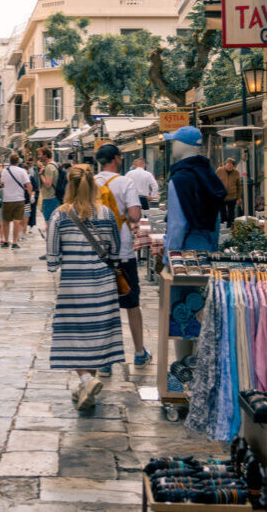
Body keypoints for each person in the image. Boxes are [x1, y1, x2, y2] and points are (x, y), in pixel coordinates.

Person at [46, 164, 126, 410]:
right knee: (95, 336)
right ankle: (87, 385)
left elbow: (52, 258)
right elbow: (115, 249)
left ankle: (85, 380)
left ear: (68, 186)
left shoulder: (59, 215)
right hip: (103, 284)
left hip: (73, 284)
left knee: (75, 336)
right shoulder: (106, 214)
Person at [94, 143, 151, 375]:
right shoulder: (125, 182)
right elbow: (135, 215)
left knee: (104, 306)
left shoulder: (92, 182)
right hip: (123, 250)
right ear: (116, 159)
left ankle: (105, 362)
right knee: (131, 302)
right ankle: (139, 353)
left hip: (98, 251)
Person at [163, 126, 227, 253]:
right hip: (207, 247)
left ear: (183, 145)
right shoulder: (209, 174)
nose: (173, 145)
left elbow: (177, 225)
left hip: (185, 252)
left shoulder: (179, 179)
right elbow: (216, 219)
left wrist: (169, 256)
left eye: (175, 141)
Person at [0, 153, 33, 249]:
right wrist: (30, 196)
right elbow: (29, 185)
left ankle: (6, 241)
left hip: (7, 199)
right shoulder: (22, 171)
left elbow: (2, 184)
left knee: (6, 221)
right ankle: (14, 242)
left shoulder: (4, 171)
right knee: (17, 221)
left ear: (9, 161)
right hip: (19, 199)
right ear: (18, 161)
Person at [215, 158, 242, 228]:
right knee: (222, 213)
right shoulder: (219, 170)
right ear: (225, 165)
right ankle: (223, 227)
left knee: (231, 214)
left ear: (233, 166)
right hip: (221, 196)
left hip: (232, 196)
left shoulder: (236, 172)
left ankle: (230, 228)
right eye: (227, 165)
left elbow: (239, 186)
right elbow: (214, 181)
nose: (228, 167)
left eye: (230, 166)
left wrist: (238, 197)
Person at [37, 147, 62, 224]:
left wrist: (41, 174)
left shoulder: (49, 167)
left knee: (49, 223)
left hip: (49, 198)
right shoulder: (54, 164)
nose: (38, 156)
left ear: (45, 155)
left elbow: (48, 184)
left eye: (40, 154)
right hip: (54, 197)